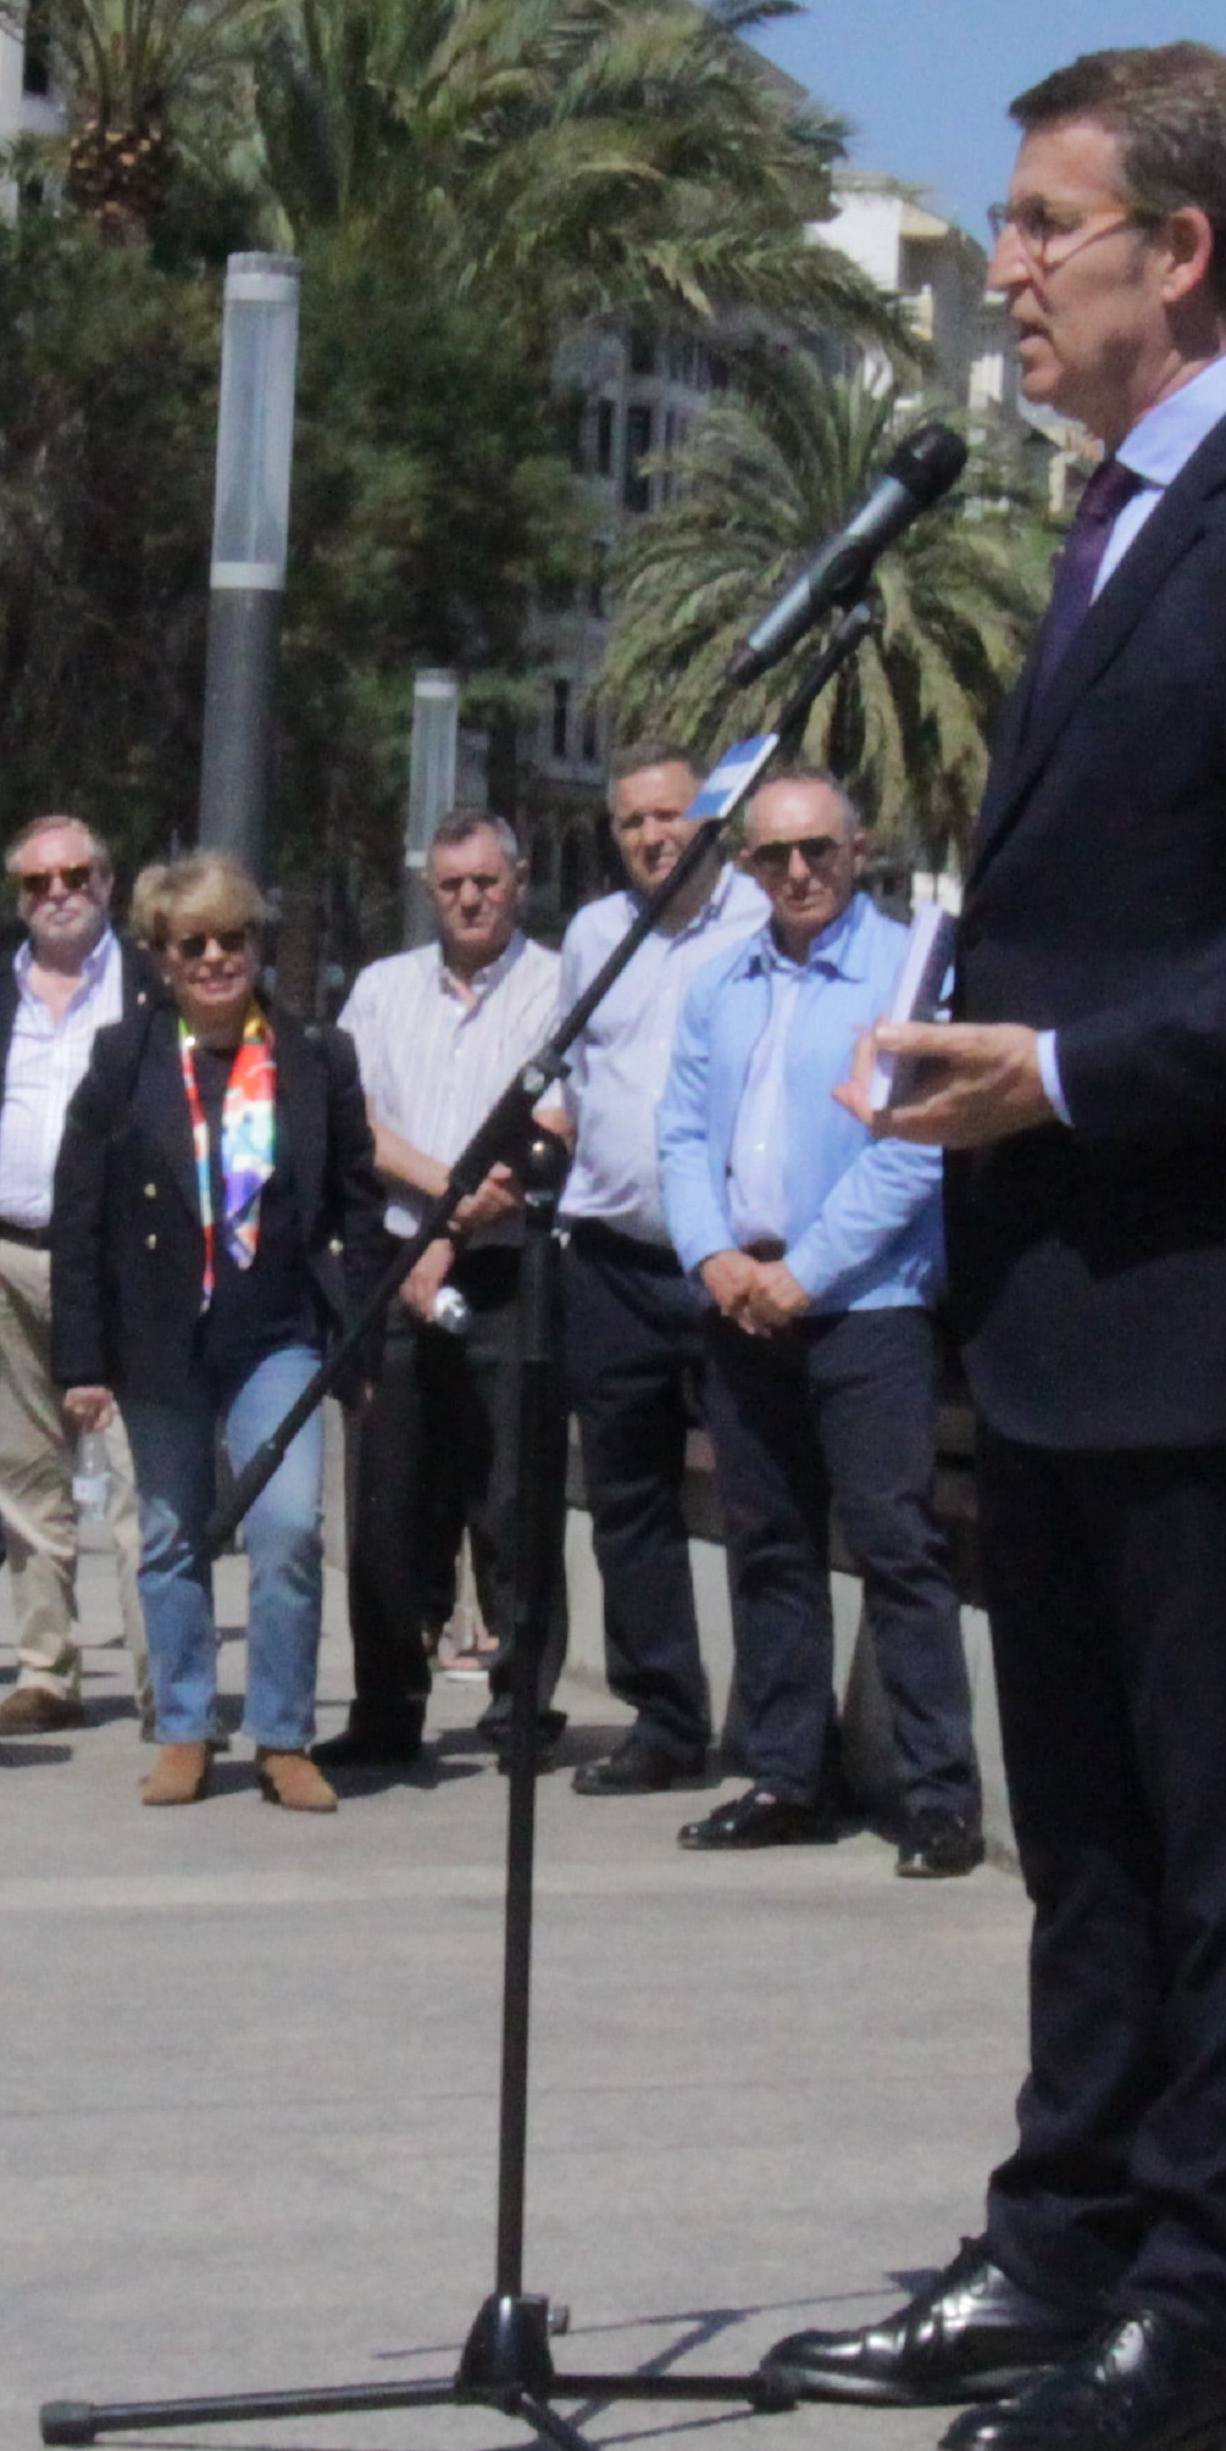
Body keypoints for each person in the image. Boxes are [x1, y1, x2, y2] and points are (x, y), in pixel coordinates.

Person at [778, 43, 1226, 2451]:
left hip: (1216, 1301)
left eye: (1041, 222)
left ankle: (1207, 2296)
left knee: (1221, 1815)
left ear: (1177, 253)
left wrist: (1058, 1072)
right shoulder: (1112, 519)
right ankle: (1059, 2229)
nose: (1004, 262)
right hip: (1064, 1303)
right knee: (1083, 1817)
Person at [652, 773, 979, 1874]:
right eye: (772, 856)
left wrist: (811, 1274)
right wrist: (713, 1257)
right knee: (769, 1544)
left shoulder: (911, 971)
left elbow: (920, 1140)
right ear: (744, 865)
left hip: (868, 1305)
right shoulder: (717, 982)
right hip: (741, 1299)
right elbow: (681, 1134)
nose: (797, 873)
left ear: (860, 850)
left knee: (894, 1548)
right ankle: (790, 1772)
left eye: (818, 852)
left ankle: (938, 1796)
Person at [50, 853, 376, 1814]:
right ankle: (185, 1729)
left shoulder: (314, 1058)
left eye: (233, 938)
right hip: (159, 1340)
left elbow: (358, 1204)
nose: (215, 957)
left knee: (286, 1531)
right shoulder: (124, 1061)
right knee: (169, 1533)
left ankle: (282, 1735)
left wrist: (355, 1335)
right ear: (158, 956)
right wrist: (83, 1358)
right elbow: (79, 1216)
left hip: (277, 1335)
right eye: (192, 943)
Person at [547, 750, 768, 1799]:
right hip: (612, 1261)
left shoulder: (757, 921)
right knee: (628, 1501)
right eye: (632, 821)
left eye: (669, 816)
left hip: (729, 1262)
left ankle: (778, 1739)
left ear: (709, 819)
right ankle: (665, 1720)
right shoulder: (594, 934)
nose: (652, 836)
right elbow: (578, 1083)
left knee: (763, 1494)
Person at [334, 810, 572, 1767]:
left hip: (513, 1267)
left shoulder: (561, 984)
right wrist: (440, 1209)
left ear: (517, 881)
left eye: (487, 880)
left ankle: (523, 1708)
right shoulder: (380, 990)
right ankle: (385, 1707)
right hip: (400, 1266)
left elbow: (552, 1126)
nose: (470, 898)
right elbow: (355, 1120)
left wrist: (456, 1223)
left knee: (513, 1495)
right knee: (387, 1501)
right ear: (428, 891)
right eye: (451, 885)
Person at [0, 814, 154, 1737]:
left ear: (106, 882)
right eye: (35, 882)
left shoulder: (152, 989)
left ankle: (164, 1685)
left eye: (73, 875)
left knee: (151, 1484)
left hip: (129, 1265)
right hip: (12, 1252)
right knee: (25, 1473)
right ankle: (44, 1671)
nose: (56, 893)